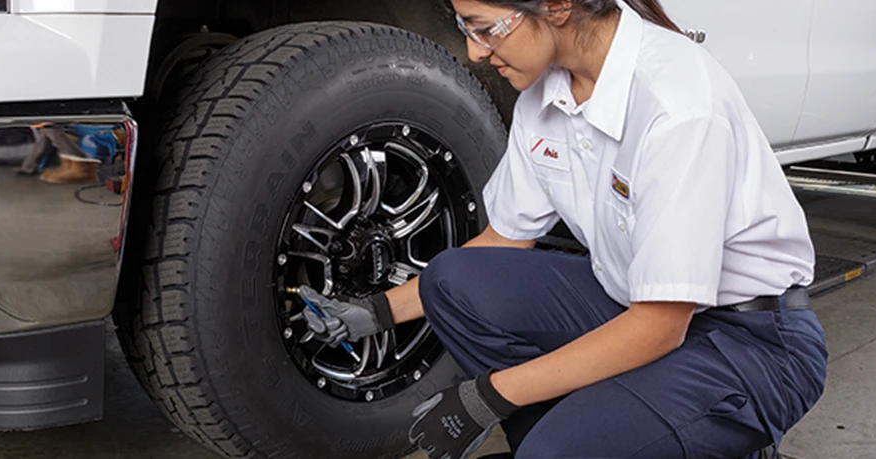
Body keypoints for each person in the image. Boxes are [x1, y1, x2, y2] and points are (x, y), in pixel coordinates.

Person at [296, 0, 828, 457]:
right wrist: (376, 313)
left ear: (555, 6)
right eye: (466, 29)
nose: (475, 52)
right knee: (454, 280)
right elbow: (503, 241)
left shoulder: (677, 107)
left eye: (485, 28)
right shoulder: (546, 98)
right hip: (632, 307)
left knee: (556, 453)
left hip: (751, 344)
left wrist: (487, 396)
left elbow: (660, 325)